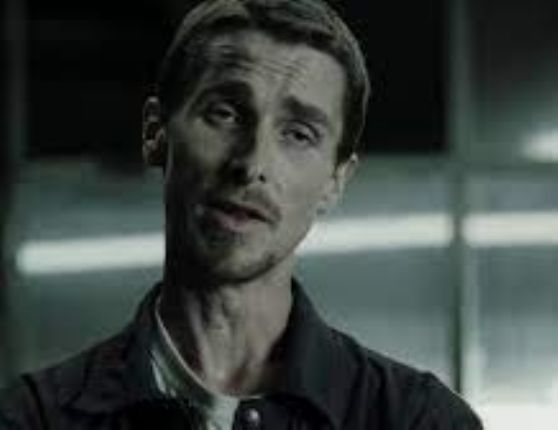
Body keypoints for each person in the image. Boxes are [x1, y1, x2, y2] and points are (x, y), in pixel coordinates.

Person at [0, 0, 483, 428]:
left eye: (298, 134)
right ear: (155, 133)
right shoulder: (34, 418)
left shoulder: (419, 420)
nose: (251, 165)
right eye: (225, 113)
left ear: (335, 181)